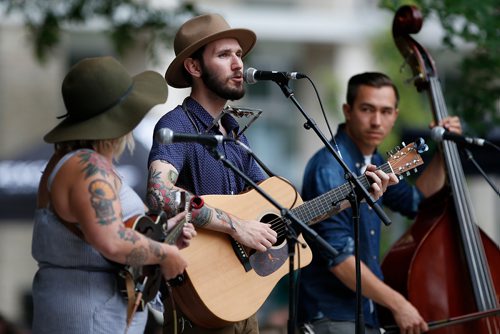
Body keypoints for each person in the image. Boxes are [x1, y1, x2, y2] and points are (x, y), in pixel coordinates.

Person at [147, 15, 396, 334]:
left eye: (240, 54)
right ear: (194, 67)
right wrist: (237, 227)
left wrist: (358, 195)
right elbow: (159, 194)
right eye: (224, 55)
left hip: (243, 299)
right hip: (198, 297)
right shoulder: (176, 126)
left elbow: (286, 215)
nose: (238, 64)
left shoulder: (236, 135)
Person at [31, 56, 196, 334]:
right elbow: (110, 241)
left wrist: (161, 234)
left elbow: (109, 232)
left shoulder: (72, 161)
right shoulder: (89, 168)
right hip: (90, 318)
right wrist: (166, 253)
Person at [297, 72, 462, 334]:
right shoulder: (329, 168)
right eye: (367, 109)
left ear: (395, 115)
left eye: (386, 112)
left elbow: (415, 202)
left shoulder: (375, 163)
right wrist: (399, 304)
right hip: (331, 318)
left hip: (364, 315)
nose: (377, 121)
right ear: (347, 111)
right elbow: (339, 259)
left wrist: (442, 152)